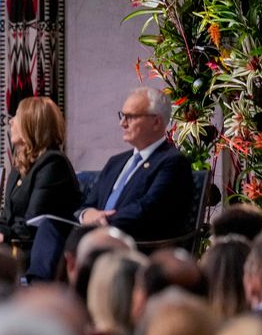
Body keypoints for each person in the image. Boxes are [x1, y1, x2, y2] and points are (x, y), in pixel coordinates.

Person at [32, 87, 193, 278]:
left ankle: (55, 296)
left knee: (75, 240)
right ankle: (39, 288)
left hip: (132, 238)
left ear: (156, 121)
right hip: (95, 232)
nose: (122, 123)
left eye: (131, 117)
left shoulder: (172, 161)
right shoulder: (116, 162)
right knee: (50, 226)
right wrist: (86, 214)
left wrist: (104, 221)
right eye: (122, 115)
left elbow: (148, 208)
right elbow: (88, 203)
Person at [0, 96, 81, 280]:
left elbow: (32, 223)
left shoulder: (54, 163)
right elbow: (6, 221)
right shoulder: (19, 167)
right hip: (13, 245)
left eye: (17, 116)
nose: (11, 121)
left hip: (31, 250)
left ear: (33, 124)